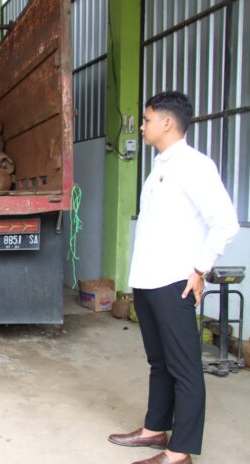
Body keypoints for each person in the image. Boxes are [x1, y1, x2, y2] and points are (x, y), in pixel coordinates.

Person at [109, 92, 239, 464]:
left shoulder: (195, 165)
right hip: (149, 281)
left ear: (167, 122)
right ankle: (154, 429)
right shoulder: (161, 165)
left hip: (174, 281)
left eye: (147, 119)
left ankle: (179, 452)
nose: (143, 125)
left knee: (184, 368)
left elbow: (225, 223)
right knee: (159, 362)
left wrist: (199, 269)